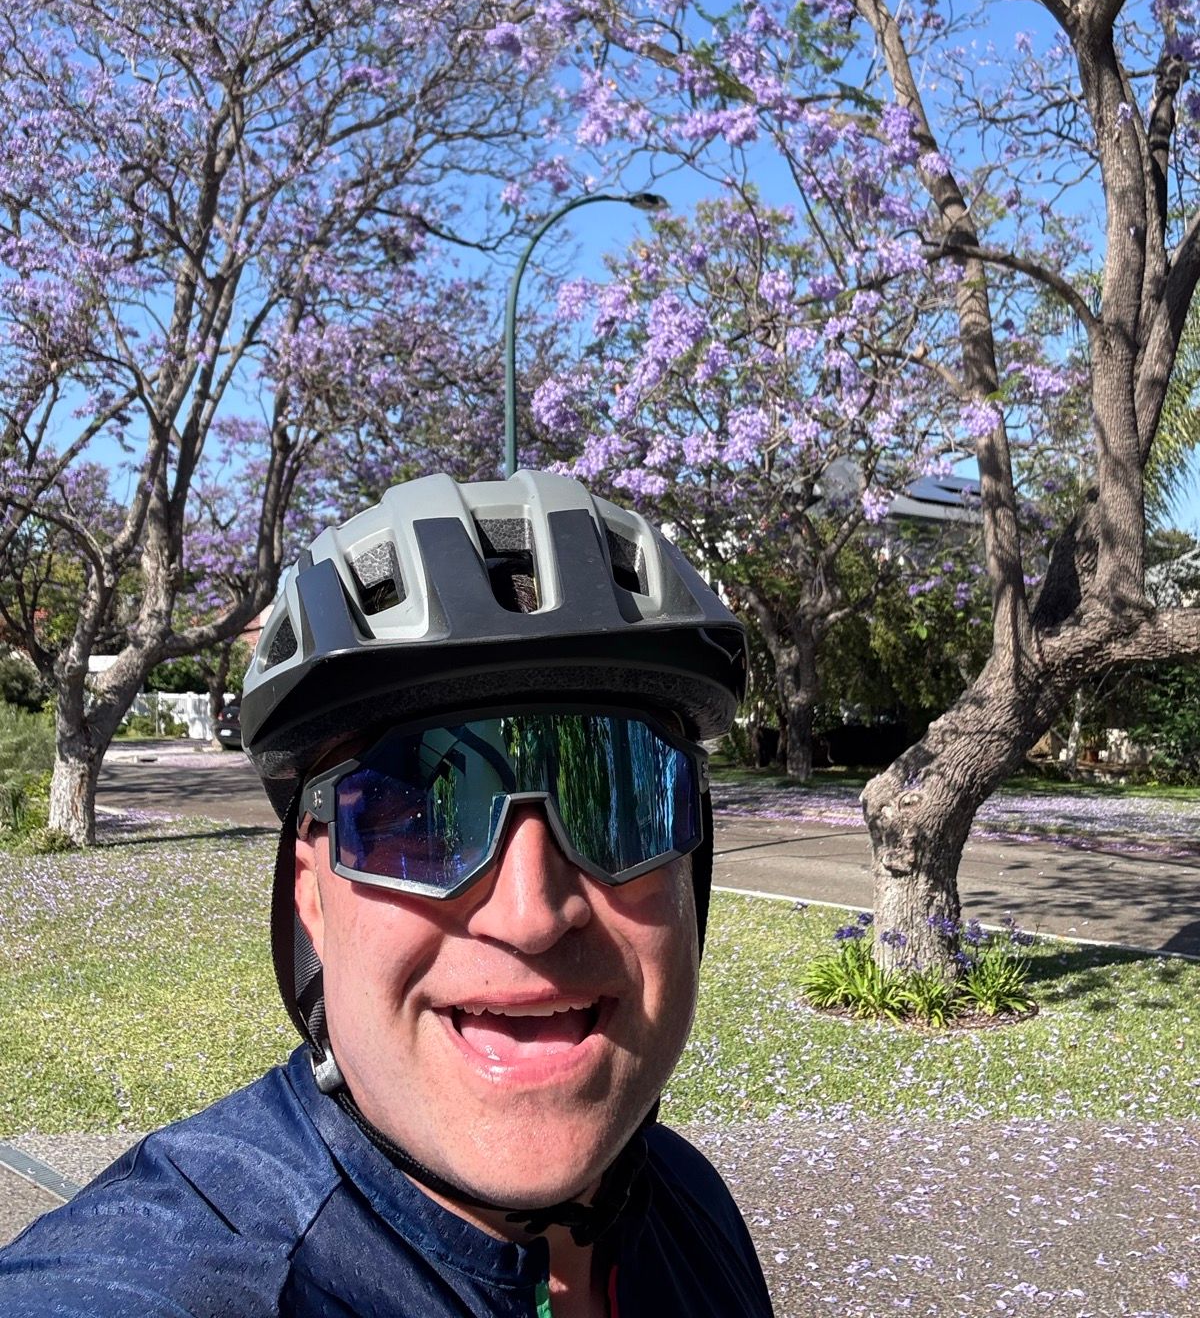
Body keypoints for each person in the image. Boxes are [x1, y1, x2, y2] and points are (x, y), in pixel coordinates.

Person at [0, 471, 775, 1317]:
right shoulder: (192, 1279)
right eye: (419, 820)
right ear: (310, 894)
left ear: (692, 869)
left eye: (617, 801)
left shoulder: (689, 1207)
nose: (531, 915)